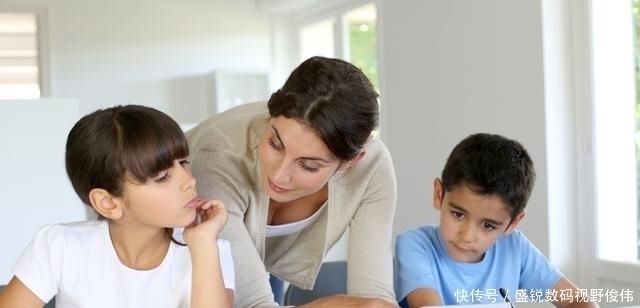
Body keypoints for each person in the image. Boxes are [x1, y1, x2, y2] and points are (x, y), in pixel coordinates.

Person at [186, 56, 398, 308]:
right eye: (275, 144)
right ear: (270, 115)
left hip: (267, 263)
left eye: (308, 165)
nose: (278, 176)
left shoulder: (371, 167)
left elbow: (374, 299)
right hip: (182, 267)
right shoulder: (219, 157)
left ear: (350, 162)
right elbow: (254, 304)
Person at [0, 105, 235, 308]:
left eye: (184, 163)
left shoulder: (209, 250)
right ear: (108, 203)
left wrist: (204, 244)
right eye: (163, 176)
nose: (190, 181)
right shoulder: (60, 246)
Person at [394, 133, 599, 308]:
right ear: (439, 194)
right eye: (458, 214)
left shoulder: (515, 248)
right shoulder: (415, 246)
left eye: (487, 225)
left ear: (513, 223)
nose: (467, 236)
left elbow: (577, 301)